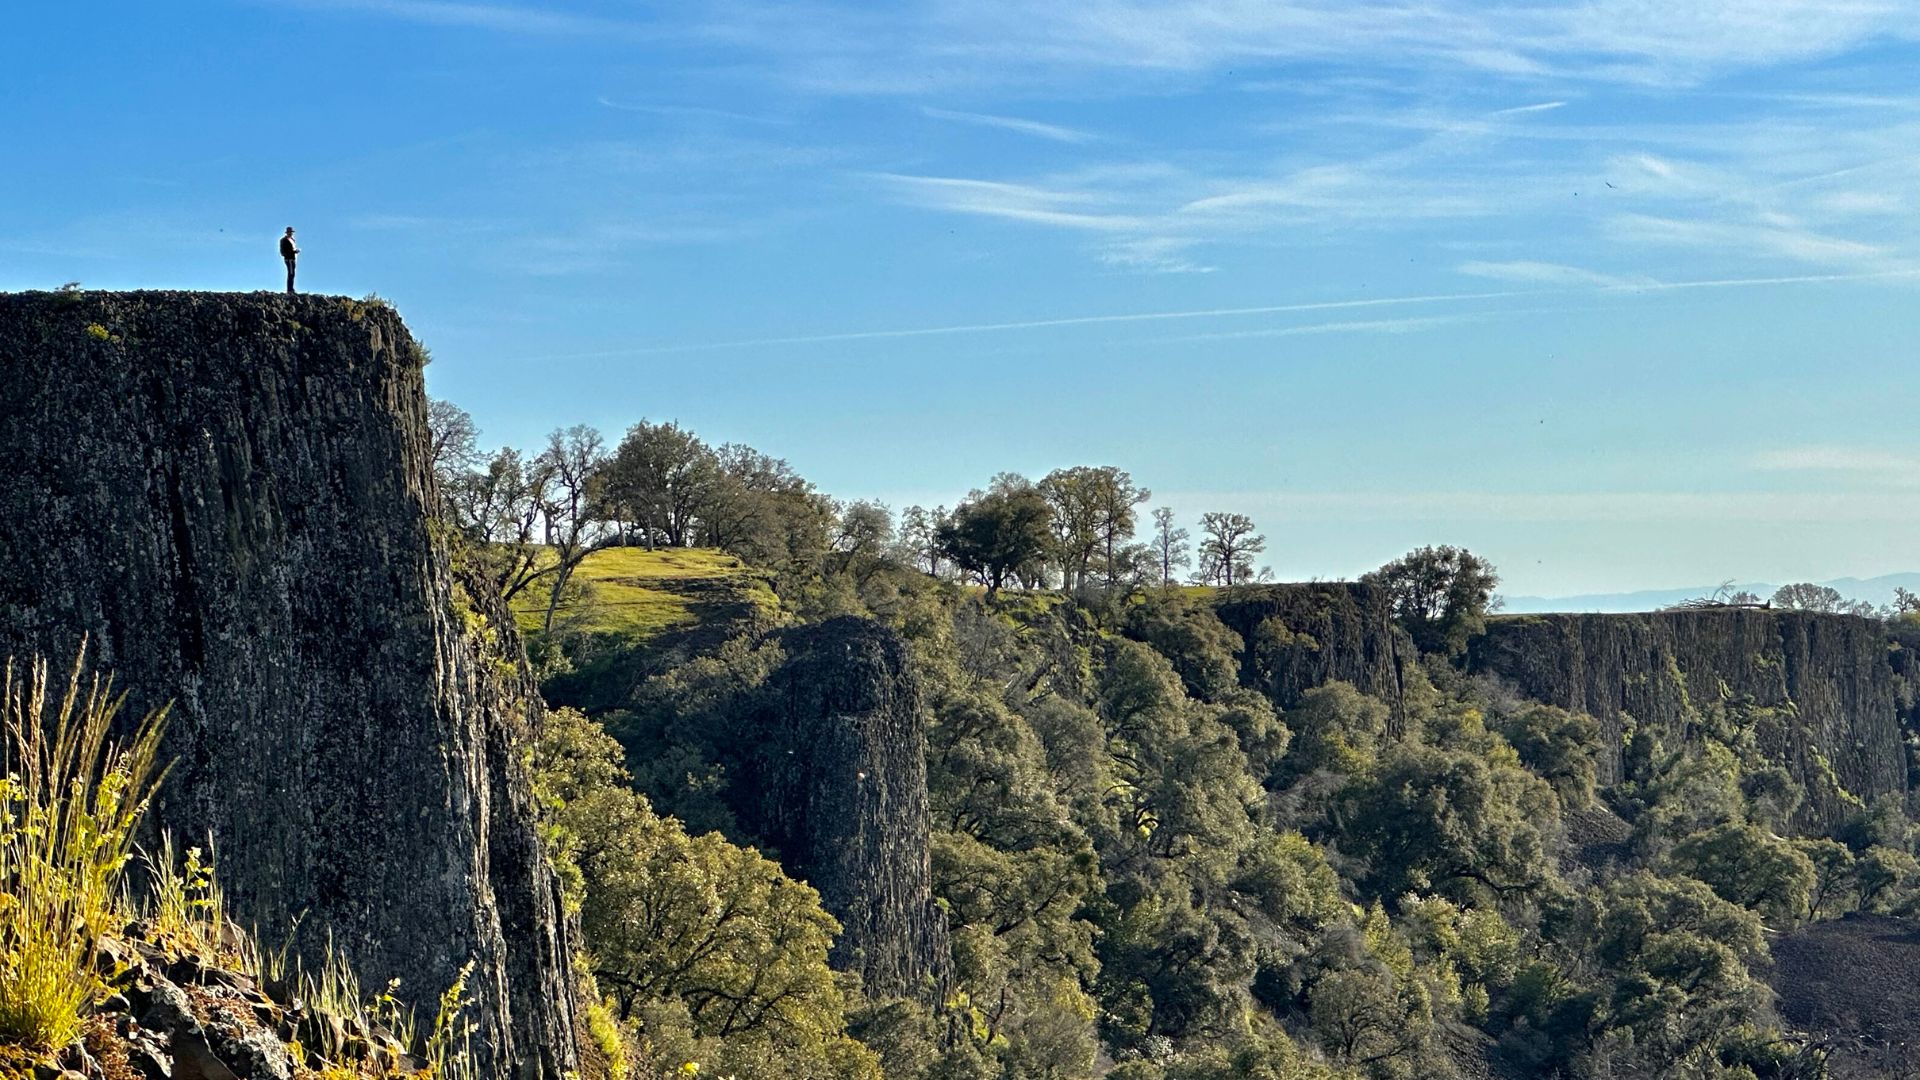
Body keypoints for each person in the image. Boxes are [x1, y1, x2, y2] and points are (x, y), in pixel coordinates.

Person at [279, 227, 299, 294]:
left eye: (291, 232)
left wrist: (295, 252)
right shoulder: (283, 240)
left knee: (292, 274)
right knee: (291, 273)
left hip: (293, 258)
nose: (290, 233)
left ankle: (291, 289)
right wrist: (292, 252)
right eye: (289, 232)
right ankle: (289, 289)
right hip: (289, 259)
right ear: (287, 233)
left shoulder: (292, 240)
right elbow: (282, 251)